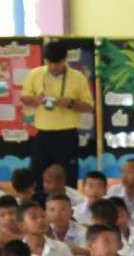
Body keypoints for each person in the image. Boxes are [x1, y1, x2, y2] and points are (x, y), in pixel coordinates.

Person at [19, 39, 95, 192]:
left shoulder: (78, 77)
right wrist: (36, 100)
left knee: (68, 179)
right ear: (45, 60)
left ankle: (68, 205)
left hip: (67, 135)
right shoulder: (35, 74)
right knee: (36, 178)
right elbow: (24, 98)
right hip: (43, 135)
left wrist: (70, 103)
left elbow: (88, 107)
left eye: (57, 63)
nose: (53, 67)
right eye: (49, 63)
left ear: (65, 60)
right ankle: (39, 204)